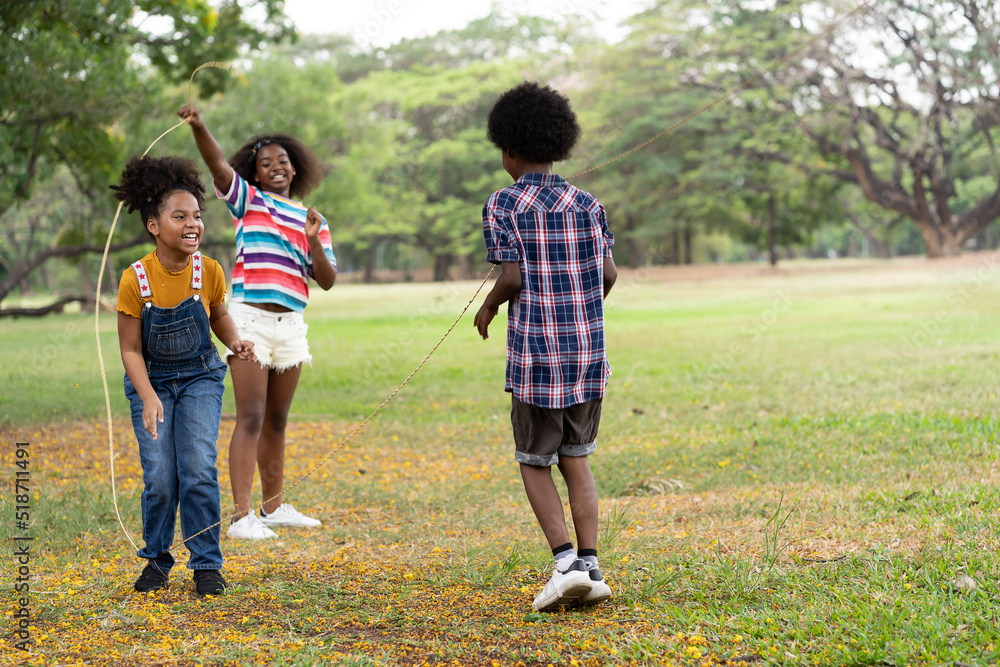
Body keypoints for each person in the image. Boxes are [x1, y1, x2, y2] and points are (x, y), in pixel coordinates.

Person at [475, 82, 618, 612]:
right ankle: (592, 565)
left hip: (537, 359)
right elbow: (609, 273)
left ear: (508, 150)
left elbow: (511, 277)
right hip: (586, 356)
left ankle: (564, 566)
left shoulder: (504, 203)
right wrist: (580, 306)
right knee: (576, 457)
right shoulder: (589, 203)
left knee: (535, 460)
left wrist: (489, 306)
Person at [178, 105, 337, 540]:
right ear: (256, 172)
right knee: (250, 415)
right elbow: (216, 164)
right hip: (249, 322)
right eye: (266, 164)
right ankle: (241, 516)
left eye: (283, 161)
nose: (276, 167)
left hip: (292, 326)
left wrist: (312, 241)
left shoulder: (311, 219)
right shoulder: (249, 200)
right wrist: (199, 125)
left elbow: (326, 280)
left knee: (277, 421)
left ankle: (273, 507)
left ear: (295, 167)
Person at [113, 155, 256, 596]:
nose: (192, 224)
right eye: (179, 217)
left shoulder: (209, 270)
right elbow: (130, 349)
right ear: (155, 226)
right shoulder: (135, 278)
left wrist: (234, 342)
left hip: (200, 378)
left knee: (197, 468)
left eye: (197, 215)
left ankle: (207, 563)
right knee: (159, 477)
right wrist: (148, 396)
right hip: (149, 381)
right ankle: (156, 561)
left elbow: (218, 315)